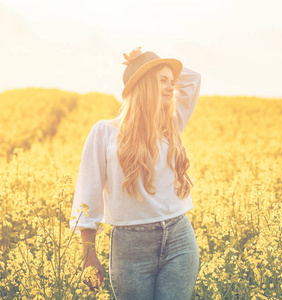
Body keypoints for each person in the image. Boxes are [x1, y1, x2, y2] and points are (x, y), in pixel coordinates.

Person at [69, 46, 202, 299]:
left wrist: (152, 63)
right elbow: (87, 196)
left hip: (179, 239)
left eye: (171, 82)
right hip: (130, 248)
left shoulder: (170, 126)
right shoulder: (105, 133)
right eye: (162, 81)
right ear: (144, 84)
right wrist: (89, 256)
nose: (171, 87)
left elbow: (193, 80)